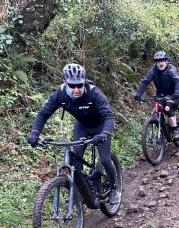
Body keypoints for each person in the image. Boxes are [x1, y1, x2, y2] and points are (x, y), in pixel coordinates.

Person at [27, 63, 120, 204]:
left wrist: (104, 133)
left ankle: (114, 188)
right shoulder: (60, 94)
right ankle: (82, 190)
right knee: (75, 158)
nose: (76, 90)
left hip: (100, 126)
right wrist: (35, 132)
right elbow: (43, 113)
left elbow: (109, 116)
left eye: (79, 85)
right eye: (72, 85)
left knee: (106, 160)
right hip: (82, 126)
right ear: (64, 82)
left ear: (84, 82)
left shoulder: (93, 93)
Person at [134, 51, 179, 141]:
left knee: (167, 108)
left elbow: (177, 82)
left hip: (174, 94)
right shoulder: (153, 70)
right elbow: (145, 82)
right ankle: (163, 128)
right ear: (156, 63)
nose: (160, 63)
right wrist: (138, 94)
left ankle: (175, 129)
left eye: (162, 61)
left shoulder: (171, 70)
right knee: (157, 109)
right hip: (161, 95)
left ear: (166, 61)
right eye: (158, 61)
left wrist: (176, 93)